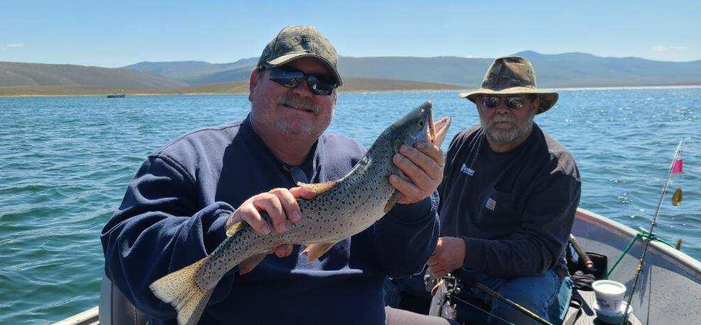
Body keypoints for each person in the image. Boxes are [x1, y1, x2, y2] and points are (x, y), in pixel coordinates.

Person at [100, 25, 443, 324]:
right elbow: (127, 255)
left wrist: (413, 205)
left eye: (320, 84)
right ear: (254, 82)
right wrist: (220, 230)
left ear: (333, 100)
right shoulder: (187, 160)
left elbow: (404, 264)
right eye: (287, 76)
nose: (304, 90)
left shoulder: (358, 161)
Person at [425, 56, 581, 324]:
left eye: (514, 102)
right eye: (490, 102)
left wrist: (464, 252)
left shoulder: (556, 168)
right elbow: (437, 202)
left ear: (534, 106)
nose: (501, 110)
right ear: (478, 106)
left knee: (519, 306)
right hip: (456, 261)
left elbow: (538, 253)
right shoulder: (464, 142)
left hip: (525, 274)